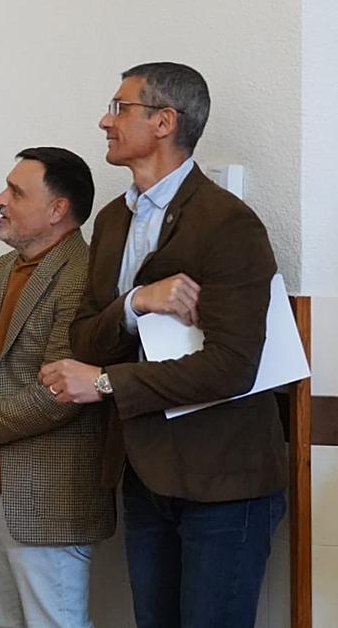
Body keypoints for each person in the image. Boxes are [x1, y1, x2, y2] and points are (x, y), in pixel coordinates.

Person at [39, 62, 286, 628]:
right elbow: (84, 337)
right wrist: (134, 303)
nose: (105, 120)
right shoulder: (110, 221)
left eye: (120, 107)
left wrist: (103, 384)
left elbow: (231, 367)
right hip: (145, 473)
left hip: (225, 481)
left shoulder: (227, 223)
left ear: (164, 121)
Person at [0, 147, 112, 628]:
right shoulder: (3, 269)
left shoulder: (84, 275)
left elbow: (57, 397)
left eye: (16, 192)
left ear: (58, 209)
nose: (0, 199)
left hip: (50, 495)